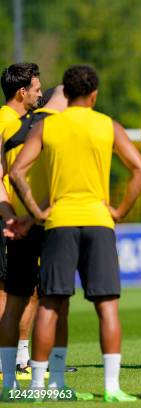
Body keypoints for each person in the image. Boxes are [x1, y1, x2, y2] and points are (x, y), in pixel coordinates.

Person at [10, 65, 141, 402]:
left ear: (65, 95)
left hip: (59, 222)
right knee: (107, 306)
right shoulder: (107, 125)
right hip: (99, 222)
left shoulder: (47, 126)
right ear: (95, 95)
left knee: (50, 305)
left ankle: (40, 386)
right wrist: (119, 211)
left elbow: (17, 171)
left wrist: (36, 211)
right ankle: (113, 388)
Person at [0, 86, 83, 400]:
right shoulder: (60, 130)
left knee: (18, 300)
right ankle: (52, 384)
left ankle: (10, 386)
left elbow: (6, 176)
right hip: (52, 224)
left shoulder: (16, 129)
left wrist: (13, 216)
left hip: (19, 224)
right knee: (57, 303)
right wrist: (35, 215)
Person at [0, 63, 42, 378]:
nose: (40, 93)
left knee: (28, 290)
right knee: (7, 290)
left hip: (20, 220)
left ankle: (20, 359)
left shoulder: (24, 123)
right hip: (7, 220)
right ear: (22, 91)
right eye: (37, 88)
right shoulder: (6, 121)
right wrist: (9, 216)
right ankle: (7, 363)